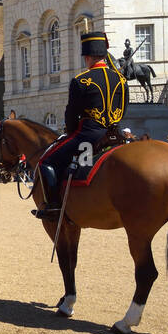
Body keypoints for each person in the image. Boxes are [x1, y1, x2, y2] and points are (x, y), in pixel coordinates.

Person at [32, 31, 127, 219]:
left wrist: (71, 131)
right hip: (115, 134)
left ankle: (53, 206)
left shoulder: (81, 80)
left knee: (45, 162)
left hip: (89, 136)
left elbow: (71, 113)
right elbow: (123, 109)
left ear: (88, 57)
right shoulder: (121, 80)